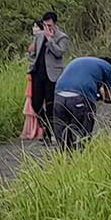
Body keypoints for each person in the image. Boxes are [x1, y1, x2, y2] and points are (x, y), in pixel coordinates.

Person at [53, 56, 111, 150]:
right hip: (80, 97)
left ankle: (63, 158)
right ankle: (80, 157)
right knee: (83, 133)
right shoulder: (109, 68)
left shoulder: (80, 61)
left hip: (59, 95)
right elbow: (108, 98)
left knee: (62, 133)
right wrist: (99, 95)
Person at [27, 11, 69, 144]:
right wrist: (31, 64)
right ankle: (46, 126)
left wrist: (50, 40)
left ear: (55, 24)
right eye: (45, 25)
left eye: (49, 25)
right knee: (36, 104)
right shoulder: (39, 36)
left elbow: (59, 52)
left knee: (51, 105)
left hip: (52, 76)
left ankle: (49, 133)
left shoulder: (62, 37)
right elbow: (33, 52)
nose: (47, 28)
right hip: (38, 73)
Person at [21, 21, 44, 140]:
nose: (34, 28)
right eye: (33, 26)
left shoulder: (42, 40)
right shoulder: (34, 41)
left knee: (36, 101)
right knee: (32, 102)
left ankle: (38, 129)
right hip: (31, 74)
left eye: (36, 26)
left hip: (37, 76)